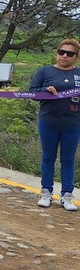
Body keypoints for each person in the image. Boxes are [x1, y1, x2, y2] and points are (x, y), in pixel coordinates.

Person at [29, 38, 80, 211]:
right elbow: (32, 92)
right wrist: (45, 90)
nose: (64, 56)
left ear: (76, 56)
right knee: (48, 158)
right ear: (56, 53)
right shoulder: (45, 71)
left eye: (70, 53)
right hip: (48, 121)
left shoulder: (79, 74)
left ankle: (67, 196)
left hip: (73, 123)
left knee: (68, 160)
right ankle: (46, 193)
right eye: (61, 52)